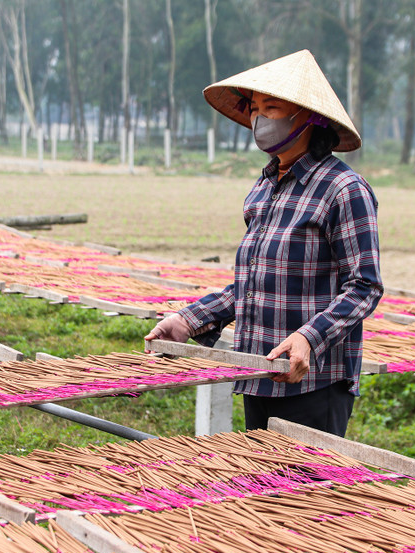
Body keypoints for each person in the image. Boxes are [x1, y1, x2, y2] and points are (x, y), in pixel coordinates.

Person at [145, 49, 383, 437]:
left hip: (312, 380)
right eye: (255, 108)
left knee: (305, 495)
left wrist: (309, 336)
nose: (259, 118)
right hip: (257, 371)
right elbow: (254, 285)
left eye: (271, 108)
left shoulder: (343, 189)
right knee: (265, 494)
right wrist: (189, 321)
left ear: (310, 118)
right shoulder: (265, 186)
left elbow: (364, 286)